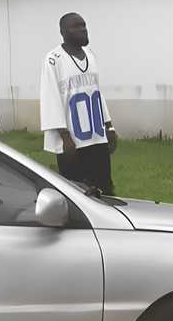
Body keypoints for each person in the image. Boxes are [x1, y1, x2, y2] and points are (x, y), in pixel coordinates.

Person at [39, 13, 118, 195]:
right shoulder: (53, 60)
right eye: (76, 26)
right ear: (63, 31)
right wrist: (65, 137)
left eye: (84, 25)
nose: (82, 29)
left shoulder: (90, 55)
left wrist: (109, 127)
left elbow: (97, 93)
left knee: (105, 188)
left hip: (96, 135)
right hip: (73, 141)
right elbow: (50, 98)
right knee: (77, 192)